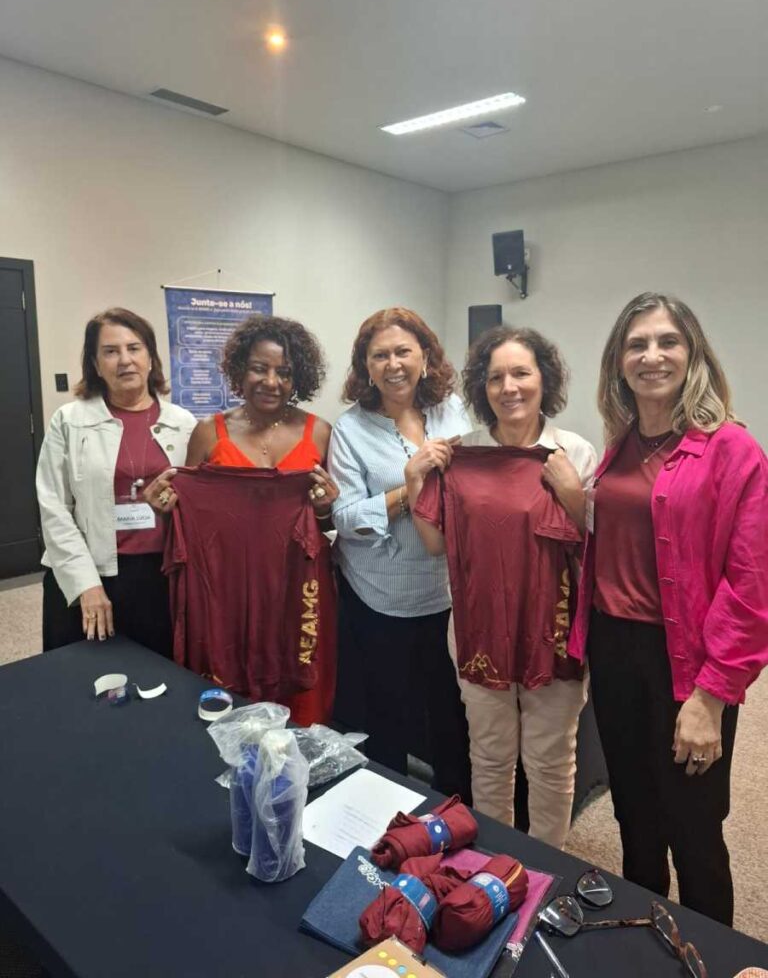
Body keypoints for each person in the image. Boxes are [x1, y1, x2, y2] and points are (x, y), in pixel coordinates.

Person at [569, 292, 768, 925]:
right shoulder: (622, 443)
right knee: (634, 813)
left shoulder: (732, 449)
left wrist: (712, 696)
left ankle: (712, 955)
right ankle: (642, 942)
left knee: (695, 825)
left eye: (667, 341)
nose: (651, 355)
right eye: (637, 344)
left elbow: (752, 585)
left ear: (692, 354)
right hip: (614, 649)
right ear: (619, 362)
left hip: (686, 660)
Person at [407, 325, 597, 849]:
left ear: (544, 379)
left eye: (521, 373)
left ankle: (547, 863)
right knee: (489, 757)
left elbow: (600, 546)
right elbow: (434, 544)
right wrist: (415, 479)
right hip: (479, 631)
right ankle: (493, 858)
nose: (509, 387)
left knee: (551, 761)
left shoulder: (573, 453)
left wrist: (572, 494)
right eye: (495, 377)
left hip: (553, 633)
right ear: (482, 387)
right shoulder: (461, 454)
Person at [147, 314, 338, 724]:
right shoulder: (209, 433)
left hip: (298, 580)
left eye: (284, 372)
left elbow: (329, 524)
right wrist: (164, 508)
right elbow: (186, 516)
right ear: (239, 370)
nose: (271, 381)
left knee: (301, 691)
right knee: (231, 686)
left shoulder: (319, 432)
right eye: (259, 368)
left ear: (298, 378)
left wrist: (325, 508)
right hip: (227, 584)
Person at [329, 307, 472, 802]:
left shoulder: (454, 411)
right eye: (379, 355)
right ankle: (387, 813)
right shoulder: (350, 429)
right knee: (387, 716)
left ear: (425, 357)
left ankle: (457, 811)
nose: (393, 364)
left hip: (448, 592)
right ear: (365, 367)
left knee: (453, 714)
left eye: (403, 351)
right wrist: (410, 487)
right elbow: (345, 518)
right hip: (380, 598)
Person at [36, 307, 196, 655]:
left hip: (160, 575)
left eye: (134, 348)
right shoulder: (69, 420)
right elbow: (54, 508)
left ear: (151, 358)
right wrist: (86, 585)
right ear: (95, 365)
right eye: (110, 351)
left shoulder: (184, 423)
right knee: (82, 676)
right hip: (89, 571)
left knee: (158, 674)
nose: (125, 360)